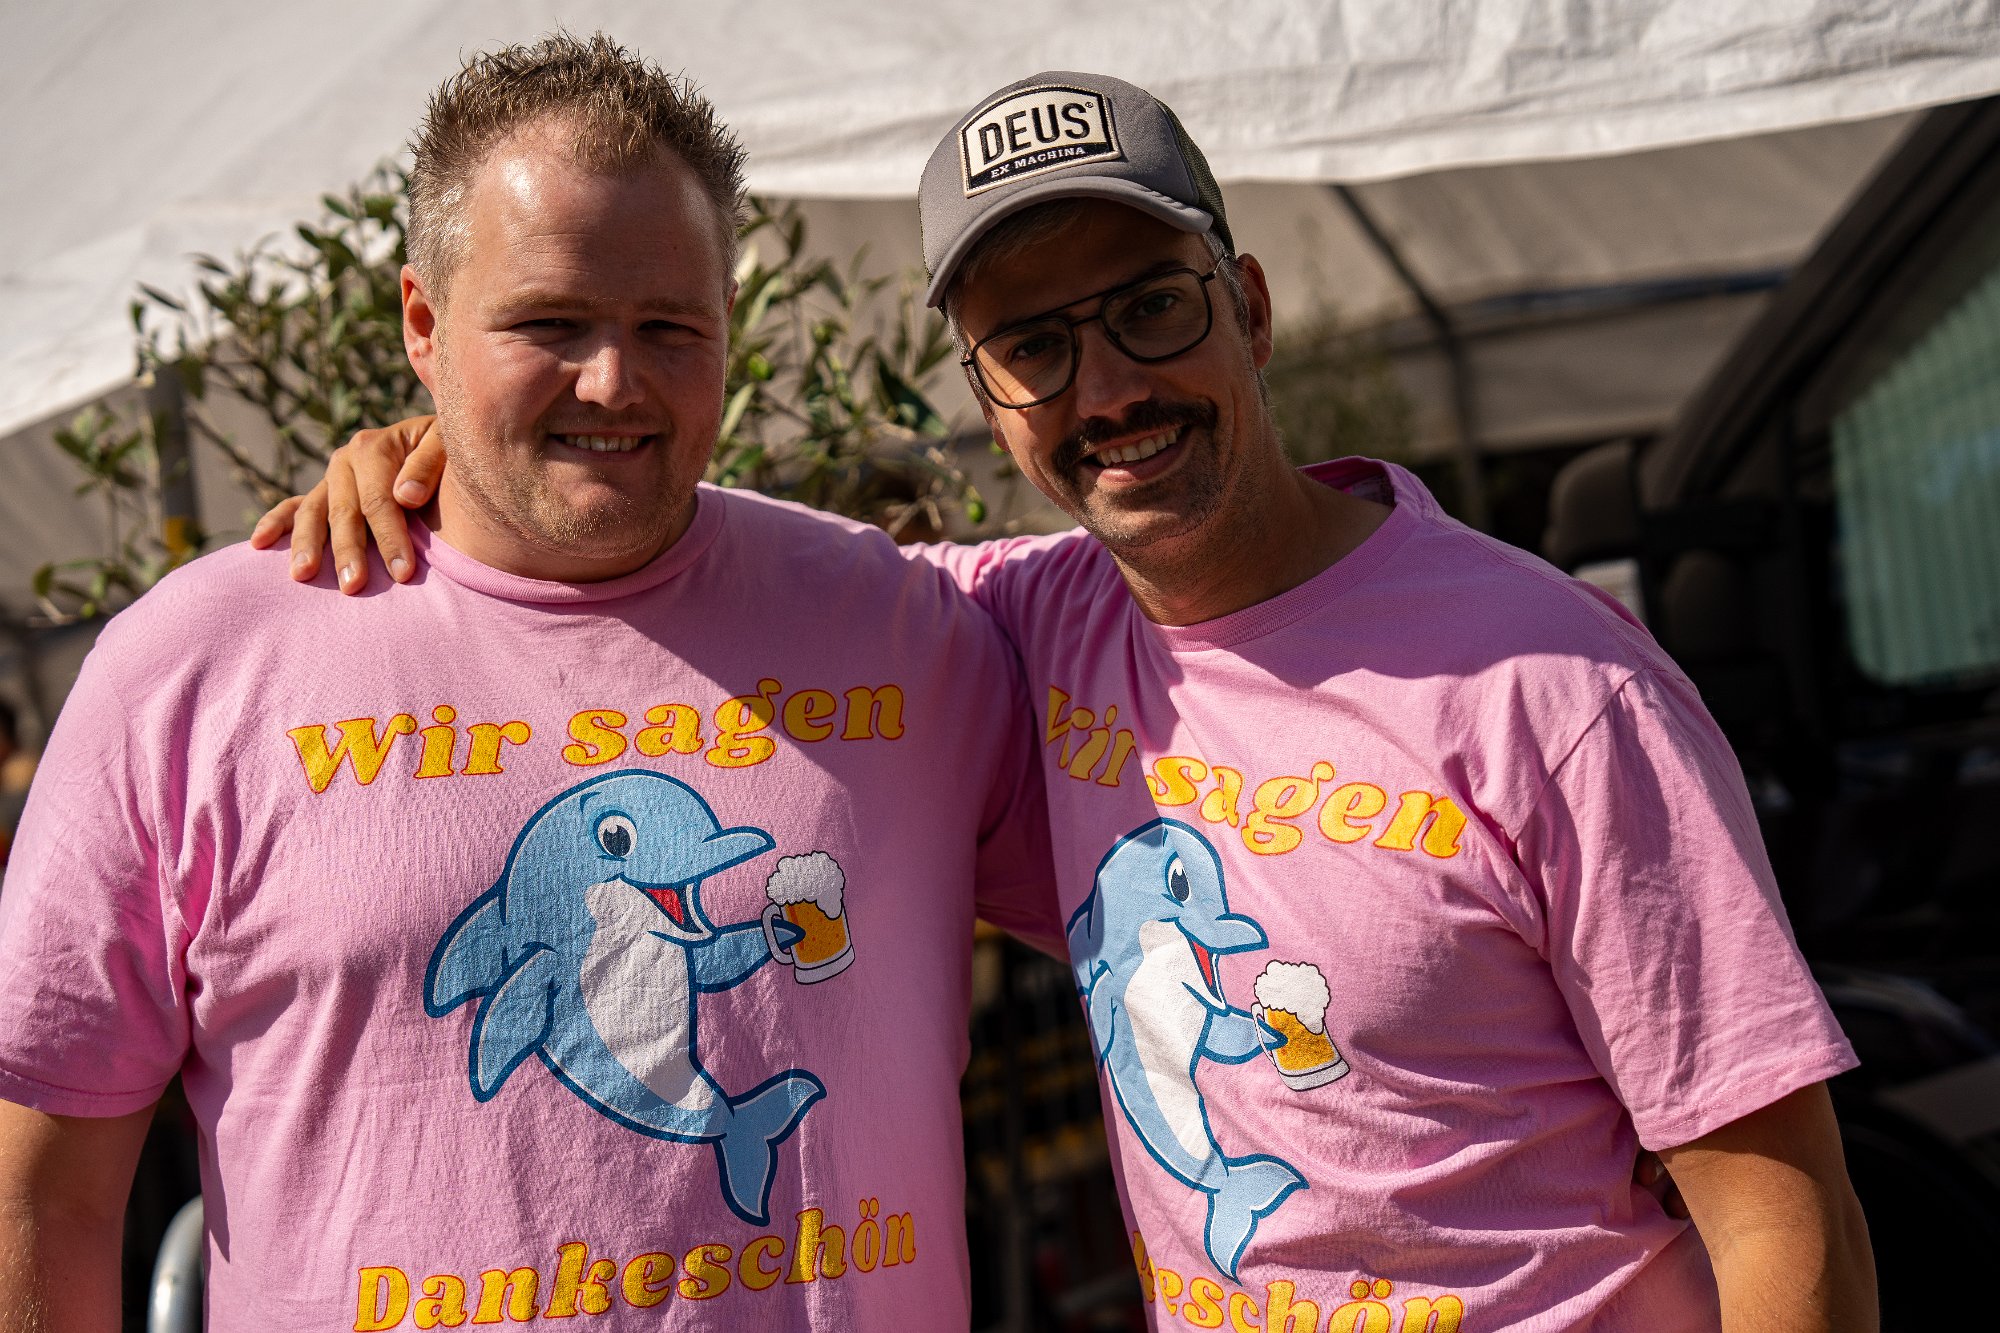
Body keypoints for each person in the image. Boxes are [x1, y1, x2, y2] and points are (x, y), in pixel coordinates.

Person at [263, 72, 1877, 1331]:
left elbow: (1780, 1211)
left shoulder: (1555, 685)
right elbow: (695, 563)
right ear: (990, 402)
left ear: (1249, 305)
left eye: (1150, 306)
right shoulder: (1010, 630)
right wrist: (445, 454)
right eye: (1034, 346)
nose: (1107, 387)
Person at [0, 36, 1058, 1331]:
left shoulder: (907, 627)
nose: (614, 379)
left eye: (669, 327)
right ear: (424, 325)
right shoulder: (191, 671)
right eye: (549, 323)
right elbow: (39, 1194)